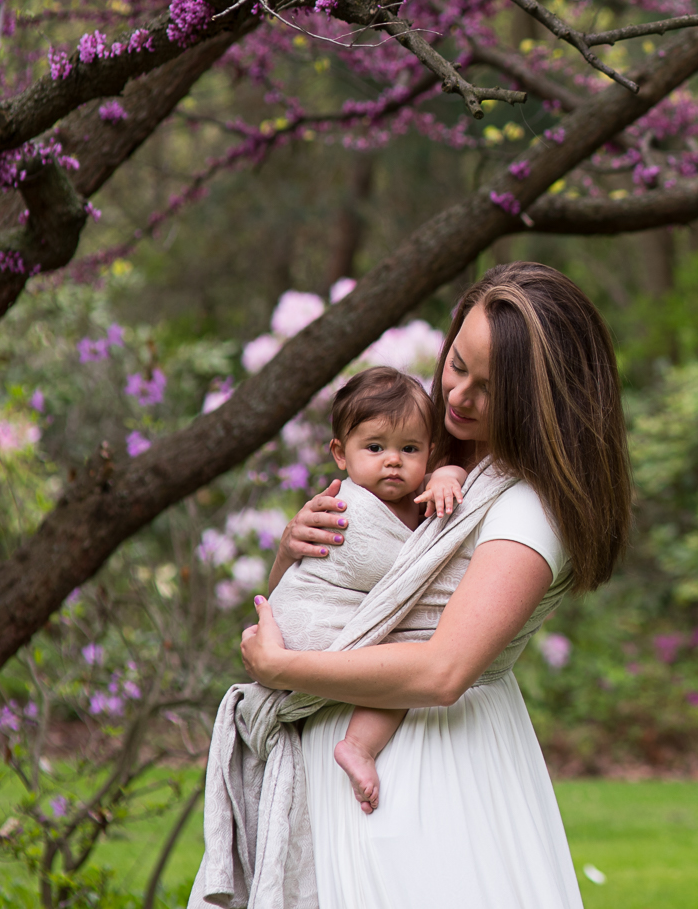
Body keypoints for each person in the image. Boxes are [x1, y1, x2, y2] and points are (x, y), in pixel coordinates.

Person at [239, 262, 629, 909]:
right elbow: (339, 591)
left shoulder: (528, 508)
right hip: (356, 744)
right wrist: (293, 549)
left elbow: (444, 671)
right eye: (457, 365)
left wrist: (285, 666)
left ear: (544, 398)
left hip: (430, 768)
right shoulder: (436, 456)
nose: (459, 396)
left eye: (490, 387)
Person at [258, 367, 466, 816]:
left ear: (428, 453)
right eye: (375, 447)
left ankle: (357, 746)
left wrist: (448, 476)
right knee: (409, 654)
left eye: (409, 449)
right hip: (311, 630)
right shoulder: (342, 510)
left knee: (405, 661)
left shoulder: (425, 494)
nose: (393, 460)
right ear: (340, 453)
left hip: (313, 649)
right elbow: (310, 575)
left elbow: (446, 481)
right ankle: (358, 746)